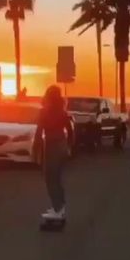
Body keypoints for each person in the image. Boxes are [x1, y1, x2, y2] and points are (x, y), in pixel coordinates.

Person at [33, 85, 73, 220]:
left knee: (50, 179)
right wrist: (69, 147)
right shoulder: (62, 112)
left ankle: (57, 209)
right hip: (61, 145)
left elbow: (39, 133)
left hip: (52, 146)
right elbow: (71, 130)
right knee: (57, 178)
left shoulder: (44, 112)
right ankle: (60, 207)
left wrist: (35, 151)